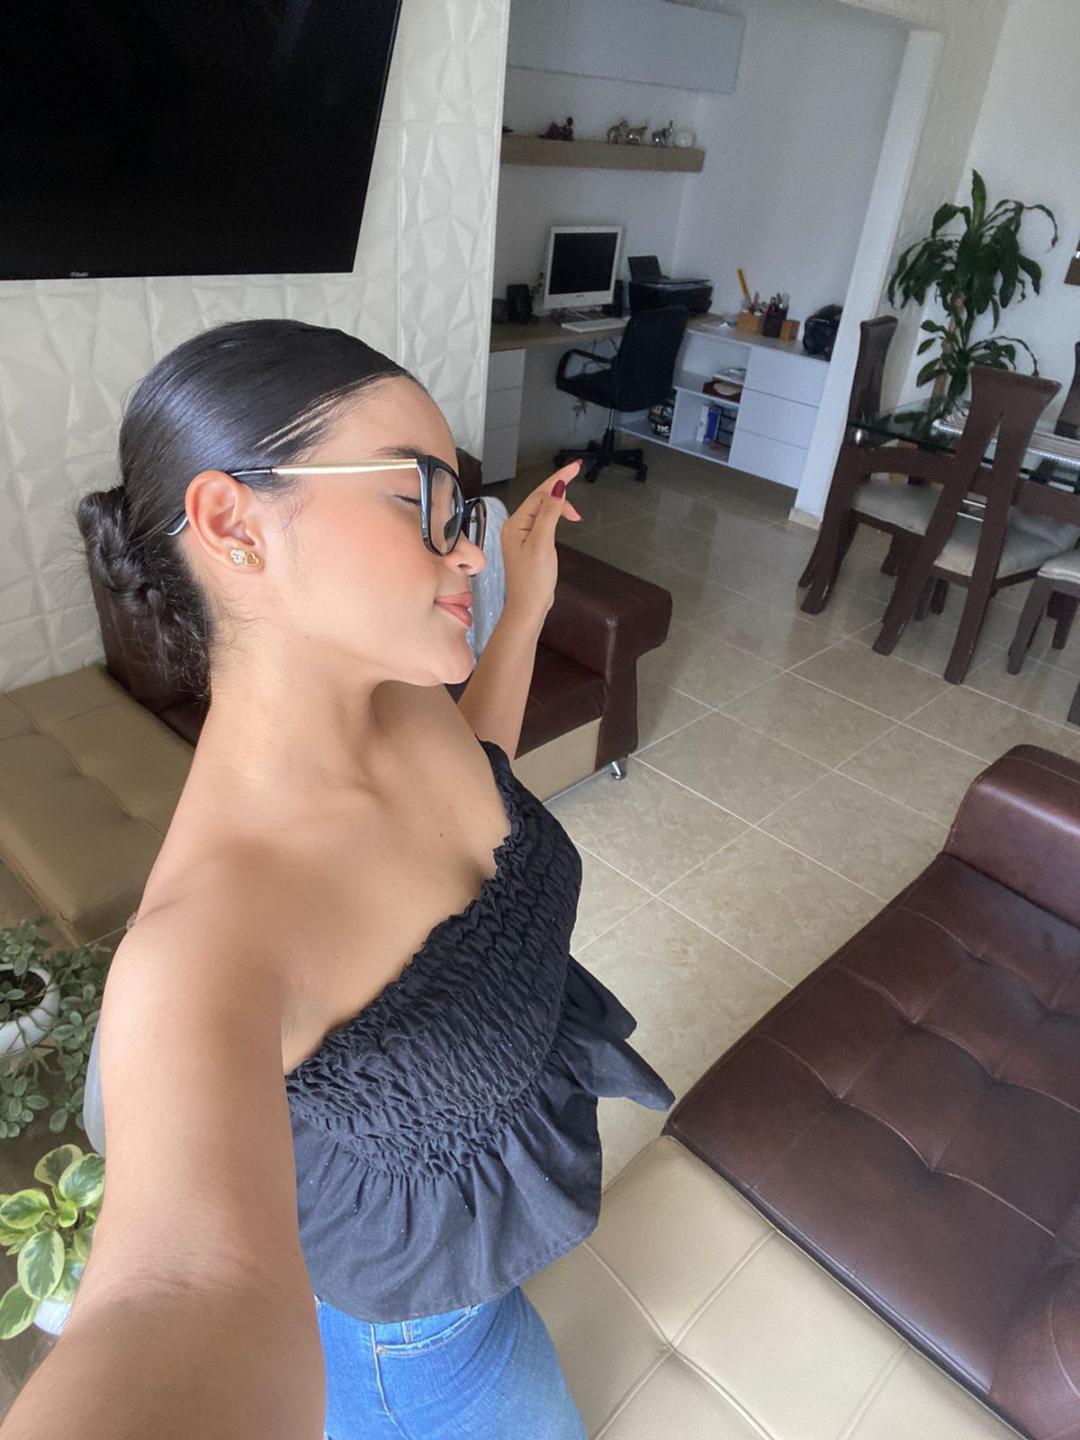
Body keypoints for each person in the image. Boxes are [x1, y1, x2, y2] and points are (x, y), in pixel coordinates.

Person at [1, 320, 673, 1440]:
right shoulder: (205, 949)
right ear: (234, 524)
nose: (466, 550)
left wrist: (526, 602)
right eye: (424, 499)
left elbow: (479, 786)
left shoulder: (393, 694)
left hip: (483, 1275)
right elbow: (179, 1291)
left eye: (464, 511)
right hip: (419, 1358)